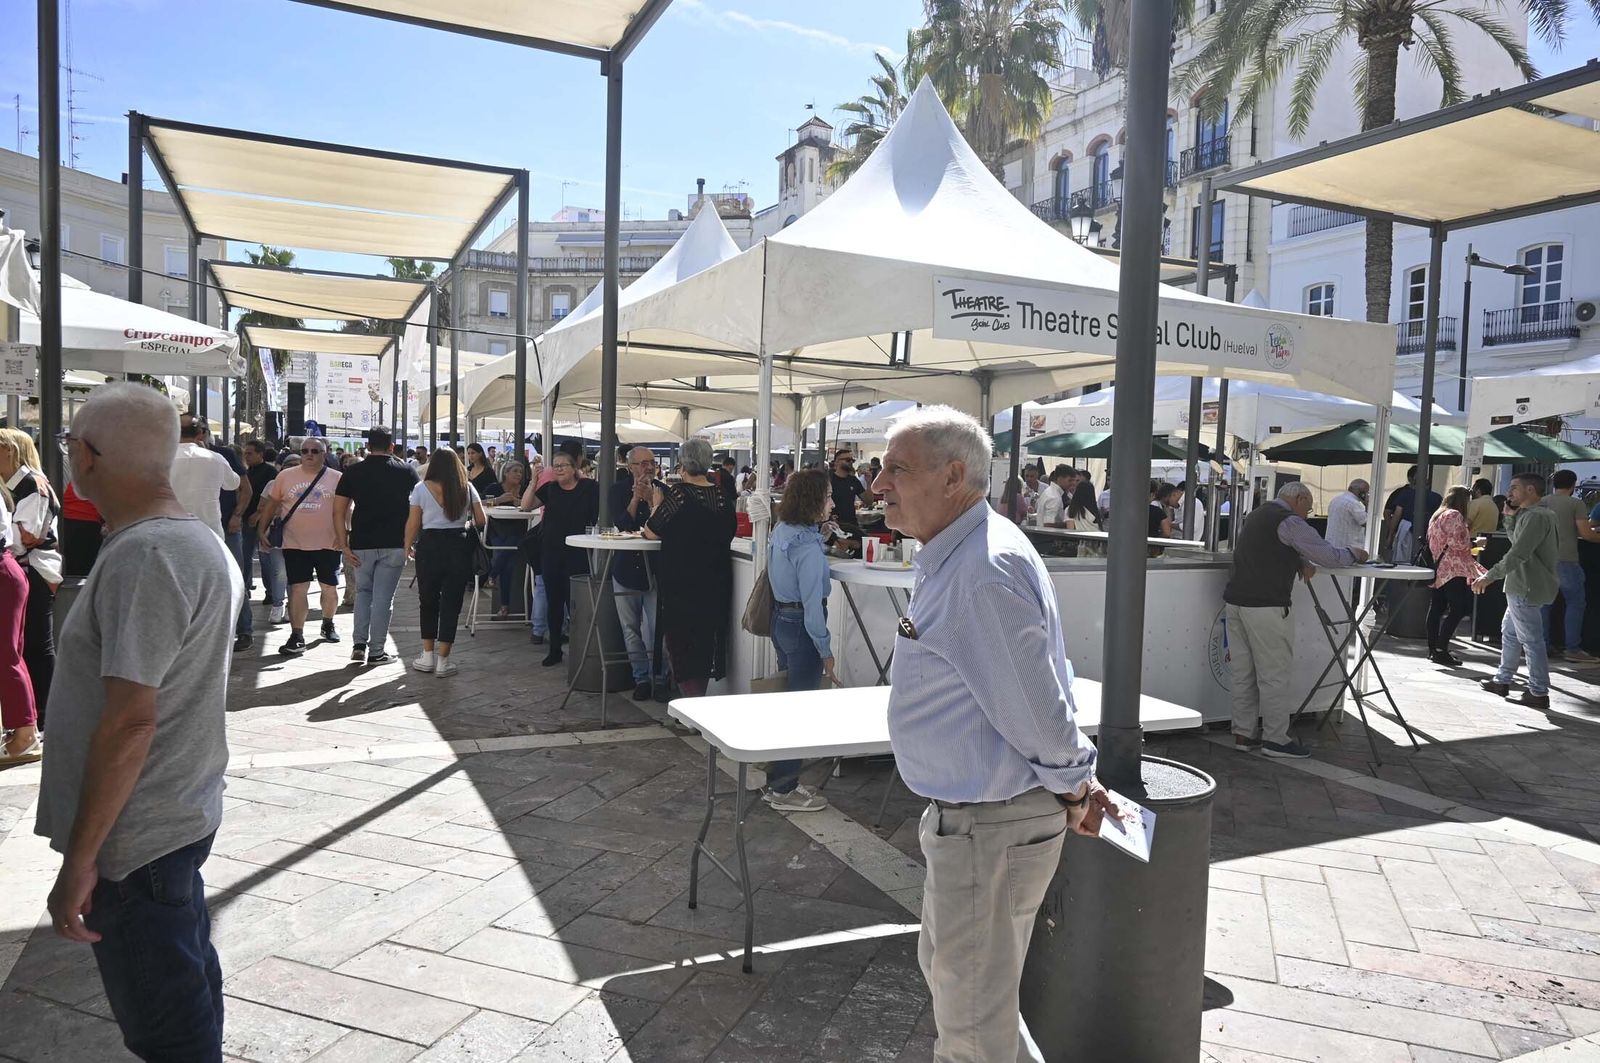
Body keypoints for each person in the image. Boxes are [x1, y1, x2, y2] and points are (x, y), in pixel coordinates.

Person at [869, 406, 1112, 1062]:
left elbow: (1038, 708)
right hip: (982, 824)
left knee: (973, 1032)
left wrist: (1077, 785)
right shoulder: (968, 549)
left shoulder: (979, 568)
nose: (877, 484)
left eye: (897, 468)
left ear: (953, 476)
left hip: (990, 824)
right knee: (977, 1006)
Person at [39, 381, 242, 1062]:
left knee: (169, 1027)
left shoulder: (146, 554)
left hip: (138, 837)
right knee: (185, 990)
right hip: (170, 817)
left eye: (70, 443)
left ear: (89, 456)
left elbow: (130, 722)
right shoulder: (184, 542)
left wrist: (82, 858)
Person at [1224, 482, 1368, 759]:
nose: (1307, 515)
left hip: (1236, 602)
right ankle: (1276, 739)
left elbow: (1270, 549)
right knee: (1273, 674)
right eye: (1309, 508)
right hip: (1266, 605)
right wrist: (1355, 553)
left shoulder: (1256, 514)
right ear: (1299, 499)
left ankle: (1244, 733)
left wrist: (1298, 559)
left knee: (1244, 673)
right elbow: (1329, 556)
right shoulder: (1289, 521)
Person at [764, 468, 837, 812]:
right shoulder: (806, 547)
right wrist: (826, 650)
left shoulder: (784, 531)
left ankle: (779, 781)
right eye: (828, 496)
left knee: (786, 705)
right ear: (814, 501)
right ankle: (783, 789)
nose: (832, 502)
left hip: (781, 619)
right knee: (797, 712)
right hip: (801, 627)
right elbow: (813, 606)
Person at [644, 437, 735, 697]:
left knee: (680, 643)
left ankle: (691, 704)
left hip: (681, 580)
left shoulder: (679, 494)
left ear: (683, 463)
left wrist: (655, 505)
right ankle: (697, 701)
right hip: (715, 578)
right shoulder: (721, 496)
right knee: (704, 643)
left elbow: (651, 531)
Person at [334, 427, 418, 666]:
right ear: (392, 446)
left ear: (368, 446)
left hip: (362, 542)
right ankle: (377, 650)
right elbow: (417, 509)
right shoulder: (406, 471)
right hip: (394, 543)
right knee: (383, 599)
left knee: (363, 593)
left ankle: (359, 645)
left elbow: (338, 510)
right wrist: (410, 541)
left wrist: (343, 543)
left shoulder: (353, 472)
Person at [1474, 473, 1560, 708]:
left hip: (1525, 585)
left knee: (1531, 640)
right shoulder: (1535, 515)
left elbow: (1518, 553)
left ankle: (1539, 691)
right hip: (1524, 584)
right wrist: (1510, 519)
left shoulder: (1535, 516)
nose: (1509, 492)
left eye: (1514, 487)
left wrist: (1488, 576)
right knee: (1510, 633)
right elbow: (1520, 545)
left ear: (1530, 490)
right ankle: (1502, 680)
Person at [257, 438, 343, 655]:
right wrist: (262, 529)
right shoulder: (285, 476)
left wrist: (345, 536)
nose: (309, 454)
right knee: (297, 588)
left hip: (328, 543)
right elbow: (272, 504)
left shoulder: (337, 478)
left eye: (315, 451)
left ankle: (328, 622)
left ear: (325, 453)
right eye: (305, 451)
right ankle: (297, 635)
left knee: (329, 588)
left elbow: (345, 511)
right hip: (294, 542)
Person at [405, 449, 486, 677]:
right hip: (458, 546)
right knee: (452, 602)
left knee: (427, 600)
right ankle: (443, 660)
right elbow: (481, 520)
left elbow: (413, 523)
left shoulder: (421, 488)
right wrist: (466, 523)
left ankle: (427, 656)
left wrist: (407, 546)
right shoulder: (467, 487)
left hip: (429, 545)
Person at [0, 428, 61, 726]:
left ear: (10, 449)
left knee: (37, 644)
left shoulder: (31, 483)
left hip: (36, 568)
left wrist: (14, 531)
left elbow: (25, 536)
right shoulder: (16, 484)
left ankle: (46, 714)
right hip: (28, 565)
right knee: (25, 646)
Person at [526, 448, 598, 666]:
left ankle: (580, 649)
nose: (558, 470)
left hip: (578, 551)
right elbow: (526, 505)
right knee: (554, 602)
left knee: (576, 602)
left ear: (574, 468)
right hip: (551, 551)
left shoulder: (589, 488)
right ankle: (555, 648)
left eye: (562, 465)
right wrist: (533, 481)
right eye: (555, 466)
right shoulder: (550, 489)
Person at [612, 447, 660, 699]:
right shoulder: (617, 490)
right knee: (630, 628)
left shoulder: (664, 489)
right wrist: (635, 498)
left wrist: (652, 499)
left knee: (655, 629)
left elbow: (667, 524)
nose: (648, 468)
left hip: (655, 569)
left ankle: (659, 676)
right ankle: (641, 678)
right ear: (630, 467)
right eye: (642, 463)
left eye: (652, 463)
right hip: (626, 568)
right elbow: (619, 525)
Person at [1541, 469, 1600, 663]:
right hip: (1567, 558)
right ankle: (1572, 648)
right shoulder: (1576, 503)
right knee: (1575, 603)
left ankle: (1543, 644)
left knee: (1544, 605)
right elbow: (1587, 533)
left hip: (1543, 559)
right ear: (1573, 485)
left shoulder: (1543, 502)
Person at [0, 486, 40, 766]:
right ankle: (26, 730)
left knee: (7, 656)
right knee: (10, 655)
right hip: (8, 572)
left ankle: (25, 734)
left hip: (4, 573)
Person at [1426, 486, 1486, 667]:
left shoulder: (1437, 514)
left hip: (1439, 567)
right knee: (1459, 608)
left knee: (1436, 607)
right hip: (1453, 569)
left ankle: (1433, 649)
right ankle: (1441, 649)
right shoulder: (1455, 515)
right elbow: (1457, 543)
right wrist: (1475, 542)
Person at [169, 415, 243, 541]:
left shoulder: (163, 460)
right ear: (200, 434)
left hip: (173, 530)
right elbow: (233, 484)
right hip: (210, 532)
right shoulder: (216, 459)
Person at [241, 441, 287, 626]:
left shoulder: (270, 474)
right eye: (245, 453)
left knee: (269, 563)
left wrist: (259, 515)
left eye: (250, 453)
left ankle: (272, 593)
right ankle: (250, 588)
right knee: (249, 557)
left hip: (266, 524)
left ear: (260, 454)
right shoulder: (247, 472)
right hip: (248, 520)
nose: (247, 456)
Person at [485, 461, 527, 619]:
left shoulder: (525, 491)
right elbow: (481, 504)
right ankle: (504, 606)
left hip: (518, 531)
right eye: (515, 471)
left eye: (521, 472)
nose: (518, 475)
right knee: (507, 562)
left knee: (506, 554)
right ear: (505, 473)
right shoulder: (494, 488)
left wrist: (521, 503)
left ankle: (492, 575)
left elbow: (533, 506)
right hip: (497, 530)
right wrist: (499, 500)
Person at [1383, 465, 1442, 562]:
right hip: (1427, 531)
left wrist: (1390, 534)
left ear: (1411, 480)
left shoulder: (1404, 494)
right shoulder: (1436, 497)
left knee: (1402, 559)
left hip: (1406, 529)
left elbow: (1397, 514)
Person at [59, 480, 104, 578]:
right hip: (89, 527)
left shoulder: (74, 478)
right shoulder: (103, 476)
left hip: (66, 525)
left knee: (69, 570)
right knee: (84, 573)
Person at [1325, 478, 1369, 553]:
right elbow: (1367, 523)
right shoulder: (1355, 504)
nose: (1367, 495)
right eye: (1366, 492)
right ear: (1361, 492)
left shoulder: (1335, 499)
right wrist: (1368, 505)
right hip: (1348, 547)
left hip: (1332, 545)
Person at [828, 450, 866, 532]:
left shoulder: (853, 480)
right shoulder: (829, 479)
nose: (851, 462)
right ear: (837, 461)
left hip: (852, 524)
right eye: (848, 460)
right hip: (834, 524)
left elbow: (868, 501)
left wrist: (869, 483)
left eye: (852, 460)